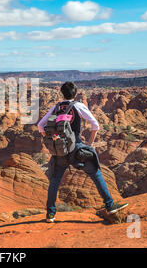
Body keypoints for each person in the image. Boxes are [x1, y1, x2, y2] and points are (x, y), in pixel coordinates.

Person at [38, 81, 128, 223]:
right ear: (75, 93)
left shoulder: (56, 107)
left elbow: (40, 126)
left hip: (59, 152)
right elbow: (95, 125)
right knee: (96, 173)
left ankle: (50, 215)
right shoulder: (78, 106)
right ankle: (110, 206)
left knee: (54, 181)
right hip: (76, 149)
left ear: (62, 93)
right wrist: (90, 145)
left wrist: (53, 141)